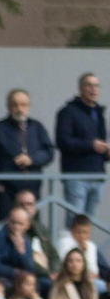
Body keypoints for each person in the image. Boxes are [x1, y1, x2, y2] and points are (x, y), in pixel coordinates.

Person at [0, 88, 54, 218]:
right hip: (7, 190)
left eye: (23, 105)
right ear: (8, 106)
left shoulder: (37, 127)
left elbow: (49, 152)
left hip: (32, 188)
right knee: (7, 226)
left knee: (33, 227)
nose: (20, 109)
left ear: (29, 106)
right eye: (15, 104)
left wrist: (32, 159)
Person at [56, 72, 108, 218]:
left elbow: (100, 144)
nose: (94, 89)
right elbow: (63, 141)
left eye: (96, 85)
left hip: (97, 175)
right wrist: (91, 145)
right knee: (75, 221)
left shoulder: (99, 113)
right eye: (89, 85)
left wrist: (106, 152)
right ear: (80, 89)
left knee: (88, 223)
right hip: (76, 175)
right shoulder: (68, 112)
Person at [55, 213, 104, 291]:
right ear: (72, 230)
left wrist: (86, 252)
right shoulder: (64, 242)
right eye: (79, 232)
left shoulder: (91, 246)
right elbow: (65, 264)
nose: (82, 235)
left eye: (85, 233)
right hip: (68, 278)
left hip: (88, 279)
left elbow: (94, 270)